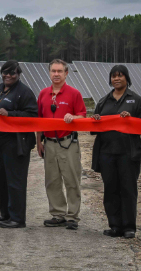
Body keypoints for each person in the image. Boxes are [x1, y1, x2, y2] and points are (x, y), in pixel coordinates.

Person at [91, 65, 141, 239]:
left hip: (128, 153)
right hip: (107, 153)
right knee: (110, 189)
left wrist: (130, 121)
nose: (117, 79)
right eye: (114, 76)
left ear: (127, 78)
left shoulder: (135, 100)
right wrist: (96, 120)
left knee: (128, 189)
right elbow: (94, 127)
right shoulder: (103, 101)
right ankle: (114, 225)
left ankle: (129, 227)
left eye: (120, 76)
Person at [35, 59, 87, 230]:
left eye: (59, 71)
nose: (56, 74)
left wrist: (74, 117)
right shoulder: (43, 94)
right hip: (49, 143)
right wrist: (39, 142)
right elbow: (39, 121)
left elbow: (83, 116)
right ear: (49, 73)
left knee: (71, 179)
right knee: (52, 180)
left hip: (67, 143)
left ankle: (72, 216)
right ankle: (58, 214)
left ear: (66, 73)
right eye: (53, 71)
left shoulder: (74, 94)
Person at [0, 60, 37, 229]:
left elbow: (32, 116)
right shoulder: (0, 88)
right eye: (5, 72)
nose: (8, 76)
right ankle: (5, 214)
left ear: (18, 74)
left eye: (12, 73)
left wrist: (10, 114)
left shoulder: (25, 92)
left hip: (15, 143)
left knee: (15, 181)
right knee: (1, 180)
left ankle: (17, 218)